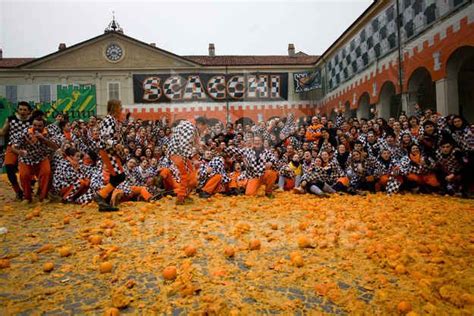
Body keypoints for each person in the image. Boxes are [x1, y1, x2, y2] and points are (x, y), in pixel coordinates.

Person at [11, 115, 59, 203]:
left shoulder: (49, 133)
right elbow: (13, 147)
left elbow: (55, 146)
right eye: (35, 125)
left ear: (44, 126)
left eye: (39, 126)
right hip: (26, 159)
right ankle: (27, 197)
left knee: (46, 173)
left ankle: (43, 197)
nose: (36, 127)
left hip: (41, 158)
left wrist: (43, 138)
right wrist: (19, 152)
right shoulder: (25, 132)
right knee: (24, 176)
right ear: (32, 125)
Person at [167, 117, 208, 205]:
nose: (204, 131)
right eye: (204, 128)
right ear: (200, 124)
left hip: (178, 153)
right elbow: (184, 145)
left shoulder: (188, 126)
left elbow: (189, 142)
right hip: (178, 154)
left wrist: (200, 145)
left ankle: (185, 195)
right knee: (186, 175)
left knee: (192, 175)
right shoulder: (190, 127)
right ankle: (181, 198)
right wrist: (193, 159)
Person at [94, 99, 126, 212]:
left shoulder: (113, 120)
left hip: (111, 151)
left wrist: (120, 147)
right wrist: (116, 145)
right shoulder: (109, 119)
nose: (121, 108)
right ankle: (100, 195)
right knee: (120, 176)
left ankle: (105, 204)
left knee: (114, 177)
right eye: (120, 106)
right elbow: (104, 137)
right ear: (114, 108)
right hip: (108, 151)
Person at [0, 101, 32, 200]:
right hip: (12, 146)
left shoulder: (32, 121)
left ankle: (29, 189)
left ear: (29, 111)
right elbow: (3, 132)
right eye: (20, 109)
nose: (22, 111)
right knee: (9, 168)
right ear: (17, 110)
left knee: (27, 171)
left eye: (25, 110)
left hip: (26, 148)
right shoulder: (11, 119)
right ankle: (18, 191)